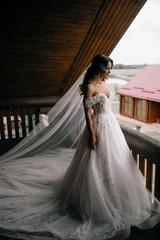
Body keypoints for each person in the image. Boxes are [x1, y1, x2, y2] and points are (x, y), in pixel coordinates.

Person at [0, 54, 160, 240]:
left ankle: (116, 198)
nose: (109, 71)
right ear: (99, 67)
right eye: (107, 67)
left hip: (112, 127)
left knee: (115, 162)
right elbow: (87, 114)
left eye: (110, 68)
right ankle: (96, 202)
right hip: (98, 127)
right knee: (95, 162)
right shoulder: (90, 87)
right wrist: (92, 135)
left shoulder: (102, 83)